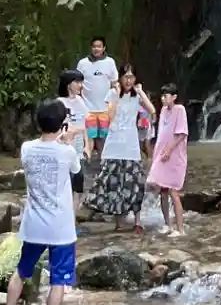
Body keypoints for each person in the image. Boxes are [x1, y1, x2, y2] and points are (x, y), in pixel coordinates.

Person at [6, 97, 84, 305]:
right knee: (58, 281)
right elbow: (78, 176)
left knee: (21, 271)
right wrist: (67, 141)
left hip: (33, 224)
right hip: (60, 228)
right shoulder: (67, 152)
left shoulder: (26, 148)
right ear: (62, 125)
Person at [89, 66, 154, 231]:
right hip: (114, 146)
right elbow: (110, 117)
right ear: (120, 78)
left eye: (131, 77)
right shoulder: (112, 93)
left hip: (131, 148)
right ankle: (118, 222)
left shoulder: (137, 95)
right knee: (114, 185)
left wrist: (141, 92)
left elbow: (152, 110)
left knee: (136, 184)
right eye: (126, 77)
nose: (128, 80)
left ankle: (137, 221)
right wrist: (117, 94)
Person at [148, 81, 189, 236]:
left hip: (175, 156)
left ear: (174, 97)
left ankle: (180, 229)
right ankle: (168, 225)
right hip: (162, 154)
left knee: (173, 191)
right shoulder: (164, 111)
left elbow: (181, 134)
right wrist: (157, 154)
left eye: (165, 96)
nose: (162, 99)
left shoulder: (180, 110)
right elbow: (161, 135)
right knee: (162, 190)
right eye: (162, 96)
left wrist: (169, 150)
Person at [75, 38, 120, 166]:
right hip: (87, 108)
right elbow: (77, 82)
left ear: (104, 48)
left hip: (105, 108)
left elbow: (114, 83)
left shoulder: (110, 62)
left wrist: (116, 102)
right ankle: (87, 163)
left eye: (99, 46)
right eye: (94, 46)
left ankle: (104, 163)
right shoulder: (83, 63)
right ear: (91, 47)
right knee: (89, 137)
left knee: (103, 138)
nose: (96, 49)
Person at [59, 68, 89, 195]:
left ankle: (74, 208)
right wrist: (77, 129)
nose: (80, 85)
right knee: (66, 184)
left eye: (81, 82)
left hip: (79, 150)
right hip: (65, 149)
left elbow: (85, 124)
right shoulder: (60, 103)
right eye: (77, 82)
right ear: (68, 84)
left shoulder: (80, 101)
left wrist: (87, 145)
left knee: (78, 186)